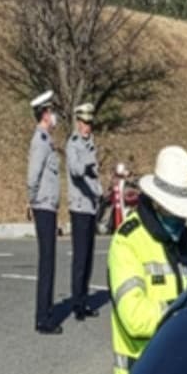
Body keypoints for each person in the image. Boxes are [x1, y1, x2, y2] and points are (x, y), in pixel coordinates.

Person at [107, 145, 187, 374]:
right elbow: (134, 317)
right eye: (174, 212)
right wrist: (183, 313)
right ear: (157, 204)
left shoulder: (180, 238)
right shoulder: (127, 242)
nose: (179, 220)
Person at [26, 90, 63, 334]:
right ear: (45, 114)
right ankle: (43, 318)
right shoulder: (40, 141)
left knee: (49, 261)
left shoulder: (45, 140)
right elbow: (33, 175)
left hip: (47, 204)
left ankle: (46, 312)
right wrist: (31, 200)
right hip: (43, 205)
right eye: (51, 112)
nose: (54, 117)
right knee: (47, 262)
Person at [66, 102, 101, 321]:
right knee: (79, 258)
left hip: (91, 205)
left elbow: (94, 176)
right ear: (78, 122)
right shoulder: (74, 144)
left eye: (90, 123)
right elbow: (76, 171)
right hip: (79, 206)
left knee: (89, 257)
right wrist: (89, 158)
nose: (88, 127)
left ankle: (85, 298)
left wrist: (99, 191)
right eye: (85, 122)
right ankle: (77, 303)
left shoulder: (90, 144)